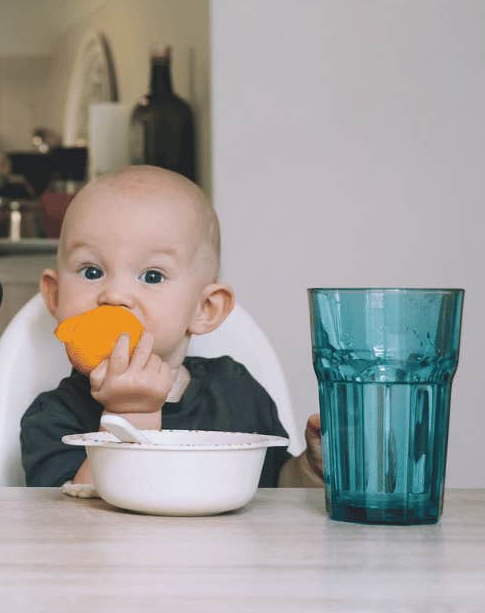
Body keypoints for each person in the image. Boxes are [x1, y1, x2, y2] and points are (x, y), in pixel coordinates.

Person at [19, 166, 325, 488]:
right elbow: (70, 519)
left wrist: (310, 470)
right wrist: (129, 417)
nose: (115, 295)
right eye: (91, 271)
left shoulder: (236, 392)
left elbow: (273, 490)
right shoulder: (52, 416)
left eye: (152, 276)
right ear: (55, 296)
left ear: (205, 309)